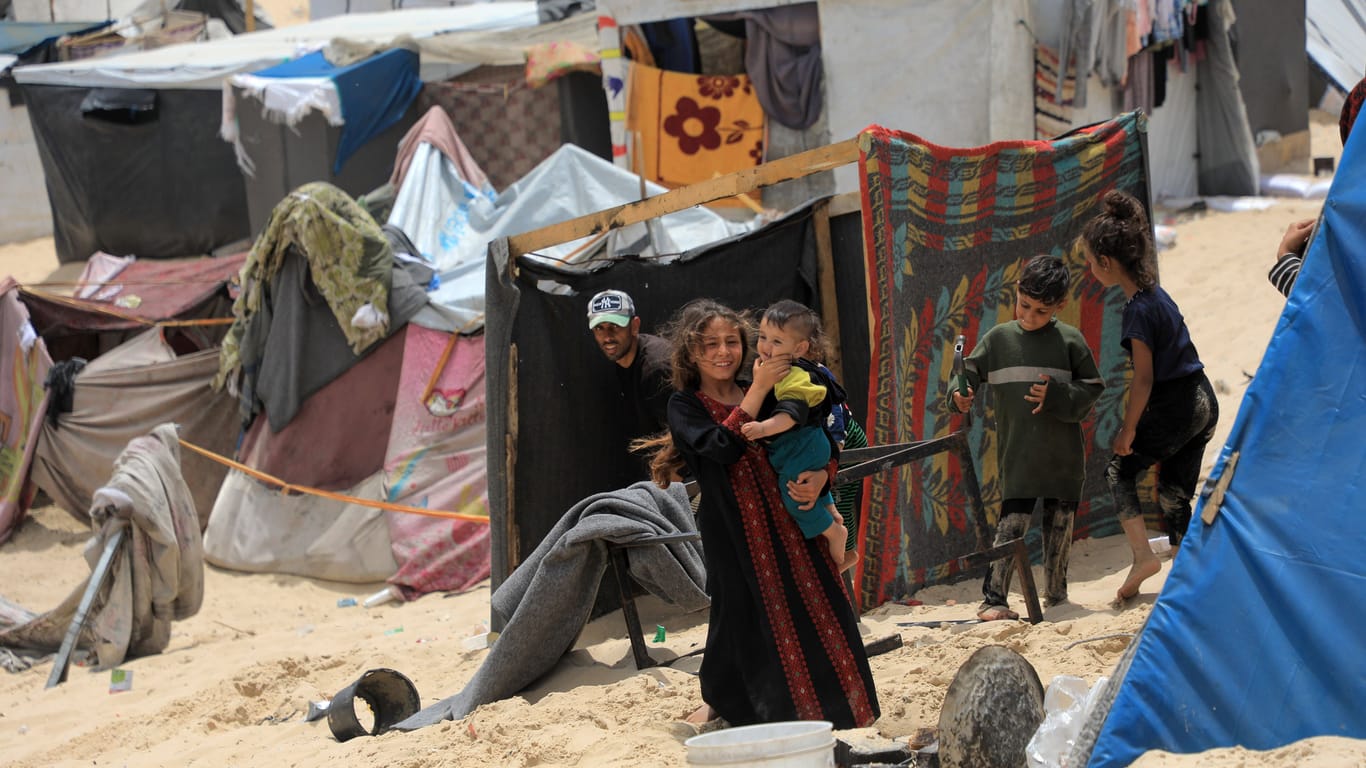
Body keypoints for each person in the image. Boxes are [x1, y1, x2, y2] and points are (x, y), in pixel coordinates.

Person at [645, 298, 879, 730]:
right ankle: (739, 709)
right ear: (691, 352)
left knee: (822, 609)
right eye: (710, 344)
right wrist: (755, 392)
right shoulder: (686, 406)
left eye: (731, 341)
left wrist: (821, 478)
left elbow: (820, 438)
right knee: (743, 619)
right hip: (734, 534)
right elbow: (722, 448)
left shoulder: (780, 389)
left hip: (793, 523)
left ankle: (846, 715)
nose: (723, 352)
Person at [1080, 190, 1219, 604]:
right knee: (1174, 490)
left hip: (1177, 406)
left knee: (1118, 472)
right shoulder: (1157, 294)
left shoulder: (1137, 310)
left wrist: (1128, 429)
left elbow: (1144, 378)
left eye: (1090, 261)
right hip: (1204, 400)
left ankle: (1143, 557)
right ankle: (1188, 572)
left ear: (1107, 263)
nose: (1089, 269)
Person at [948, 255, 1105, 621]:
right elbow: (966, 375)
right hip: (1018, 457)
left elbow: (1093, 388)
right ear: (1016, 292)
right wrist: (960, 395)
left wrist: (1058, 397)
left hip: (1063, 459)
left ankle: (1057, 597)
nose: (1029, 316)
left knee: (1060, 528)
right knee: (1011, 526)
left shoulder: (1070, 341)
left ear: (1060, 306)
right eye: (1024, 305)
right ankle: (994, 599)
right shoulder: (999, 340)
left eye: (1040, 310)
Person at [739, 300, 857, 572]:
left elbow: (792, 414)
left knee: (794, 497)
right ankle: (833, 519)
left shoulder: (795, 376)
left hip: (804, 444)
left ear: (800, 348)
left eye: (777, 342)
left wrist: (761, 429)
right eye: (764, 337)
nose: (767, 347)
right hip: (807, 446)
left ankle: (834, 535)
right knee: (809, 487)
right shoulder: (773, 370)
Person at [588, 289, 673, 473]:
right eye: (599, 328)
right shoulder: (625, 360)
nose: (607, 336)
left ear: (634, 326)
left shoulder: (656, 367)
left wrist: (666, 487)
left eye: (615, 326)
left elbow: (682, 434)